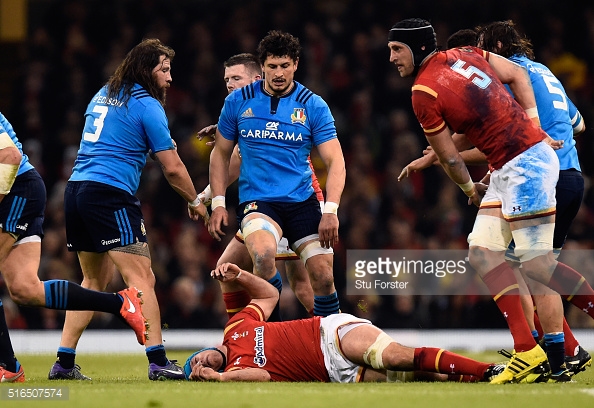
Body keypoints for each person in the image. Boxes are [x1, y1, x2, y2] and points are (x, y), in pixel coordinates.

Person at [387, 18, 594, 384]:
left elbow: (451, 157)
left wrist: (468, 189)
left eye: (396, 49)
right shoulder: (467, 53)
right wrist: (535, 123)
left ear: (418, 48)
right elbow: (517, 76)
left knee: (537, 266)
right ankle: (530, 351)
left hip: (527, 166)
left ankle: (562, 356)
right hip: (511, 167)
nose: (390, 58)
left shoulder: (423, 91)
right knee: (482, 252)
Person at [47, 38, 208, 381]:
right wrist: (195, 201)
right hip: (110, 194)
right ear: (145, 70)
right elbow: (174, 167)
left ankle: (63, 363)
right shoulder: (147, 105)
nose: (169, 77)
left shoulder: (104, 92)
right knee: (142, 278)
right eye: (163, 69)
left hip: (76, 191)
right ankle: (159, 361)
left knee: (93, 280)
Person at [0, 112, 148, 383]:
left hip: (15, 193)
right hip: (21, 191)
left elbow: (10, 157)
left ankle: (8, 366)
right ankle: (120, 303)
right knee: (24, 289)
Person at [208, 31, 346, 318]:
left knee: (322, 278)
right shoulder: (237, 103)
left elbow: (336, 161)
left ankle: (333, 344)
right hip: (259, 202)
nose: (279, 73)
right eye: (272, 66)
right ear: (263, 67)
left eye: (285, 65)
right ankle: (266, 338)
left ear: (296, 64)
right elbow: (221, 154)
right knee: (262, 254)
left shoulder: (312, 105)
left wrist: (331, 210)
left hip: (303, 202)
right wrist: (218, 201)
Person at [183, 262, 503, 383]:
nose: (201, 360)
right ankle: (476, 377)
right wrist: (220, 379)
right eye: (198, 366)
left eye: (195, 357)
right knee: (416, 375)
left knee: (394, 356)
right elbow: (264, 375)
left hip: (328, 336)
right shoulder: (237, 371)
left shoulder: (235, 328)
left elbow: (268, 296)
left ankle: (486, 370)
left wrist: (242, 275)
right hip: (335, 375)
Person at [196, 53, 316, 320]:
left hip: (293, 199)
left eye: (236, 78)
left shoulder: (264, 107)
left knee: (304, 286)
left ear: (257, 79)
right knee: (228, 270)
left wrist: (205, 196)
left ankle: (335, 339)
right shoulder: (241, 109)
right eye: (227, 79)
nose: (229, 84)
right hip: (265, 203)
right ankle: (249, 338)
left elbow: (237, 161)